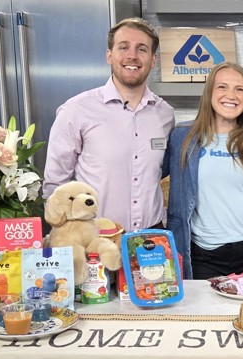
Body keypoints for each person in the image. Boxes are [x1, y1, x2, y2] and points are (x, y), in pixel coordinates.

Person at [43, 17, 175, 232]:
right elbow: (56, 185)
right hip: (95, 237)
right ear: (109, 55)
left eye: (142, 49)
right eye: (123, 47)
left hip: (152, 237)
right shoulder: (77, 110)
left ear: (153, 60)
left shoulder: (165, 114)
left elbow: (158, 171)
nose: (132, 56)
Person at [163, 62, 243, 279]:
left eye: (239, 89)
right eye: (222, 87)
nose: (231, 95)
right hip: (201, 255)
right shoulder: (182, 137)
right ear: (209, 93)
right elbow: (151, 176)